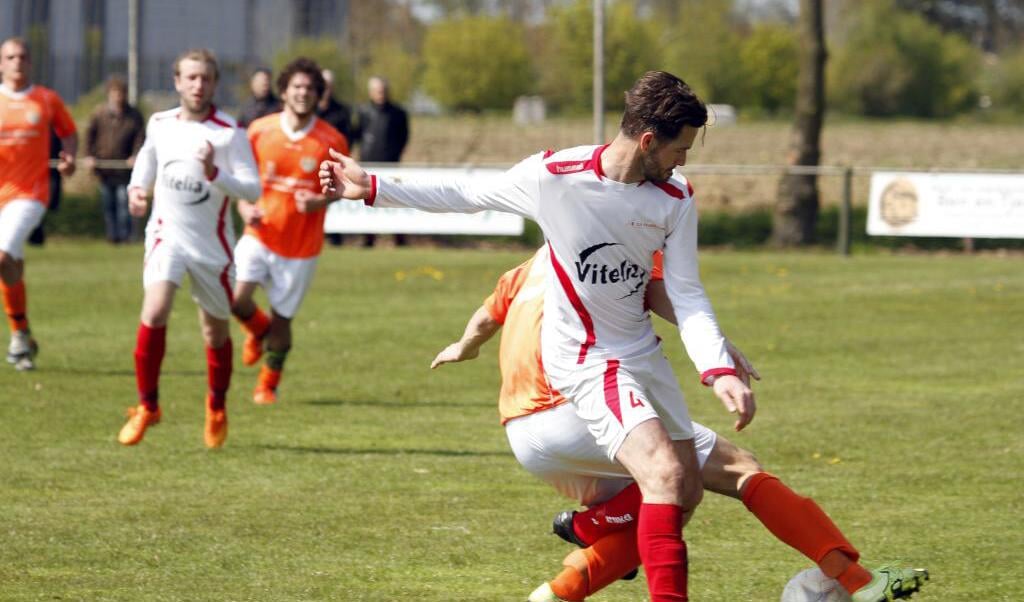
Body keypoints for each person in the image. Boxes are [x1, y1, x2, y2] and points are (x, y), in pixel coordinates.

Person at [322, 71, 754, 601]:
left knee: (684, 486)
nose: (683, 160)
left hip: (643, 352)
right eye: (679, 148)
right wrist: (373, 187)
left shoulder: (675, 196)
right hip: (587, 358)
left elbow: (686, 292)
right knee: (664, 473)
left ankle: (588, 539)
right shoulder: (556, 176)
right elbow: (466, 191)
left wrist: (718, 370)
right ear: (647, 141)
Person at [431, 248, 930, 602]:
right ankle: (860, 582)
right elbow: (665, 296)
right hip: (576, 408)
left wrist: (464, 347)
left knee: (668, 501)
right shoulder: (618, 235)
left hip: (524, 434)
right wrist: (717, 349)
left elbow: (485, 315)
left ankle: (561, 585)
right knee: (734, 468)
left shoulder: (527, 266)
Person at [117, 48, 260, 448]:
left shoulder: (229, 132)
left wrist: (216, 172)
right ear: (177, 81)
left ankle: (216, 404)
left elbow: (253, 188)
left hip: (211, 246)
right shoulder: (160, 123)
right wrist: (136, 191)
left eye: (206, 79)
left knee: (214, 333)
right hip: (167, 235)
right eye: (191, 78)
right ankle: (148, 406)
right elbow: (147, 163)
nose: (198, 85)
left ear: (215, 84)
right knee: (155, 308)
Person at [231, 57, 349, 404]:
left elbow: (341, 189)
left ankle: (268, 383)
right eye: (296, 87)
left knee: (283, 323)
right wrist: (242, 206)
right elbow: (240, 182)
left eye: (310, 89)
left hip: (300, 247)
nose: (302, 93)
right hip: (260, 233)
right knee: (236, 300)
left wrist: (319, 201)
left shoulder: (332, 140)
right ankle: (257, 329)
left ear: (319, 96)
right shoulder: (258, 131)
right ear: (284, 92)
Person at [0, 37, 77, 371]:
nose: (18, 62)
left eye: (23, 56)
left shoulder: (46, 99)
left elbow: (68, 131)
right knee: (9, 265)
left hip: (30, 193)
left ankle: (19, 337)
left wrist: (70, 156)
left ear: (30, 62)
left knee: (2, 255)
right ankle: (22, 335)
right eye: (11, 57)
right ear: (1, 63)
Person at [84, 75, 146, 244]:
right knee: (108, 205)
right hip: (104, 169)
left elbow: (140, 139)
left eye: (121, 93)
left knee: (123, 204)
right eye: (115, 93)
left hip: (124, 170)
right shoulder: (99, 114)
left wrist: (135, 156)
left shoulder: (134, 116)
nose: (118, 97)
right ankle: (113, 237)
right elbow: (89, 136)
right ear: (109, 94)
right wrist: (89, 156)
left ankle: (125, 237)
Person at [353, 76, 409, 247]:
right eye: (377, 91)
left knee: (395, 201)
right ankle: (368, 239)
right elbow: (357, 135)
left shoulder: (398, 114)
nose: (381, 94)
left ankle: (399, 239)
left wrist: (394, 154)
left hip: (391, 166)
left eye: (383, 90)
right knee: (368, 201)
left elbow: (403, 137)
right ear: (371, 92)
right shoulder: (363, 112)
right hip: (369, 166)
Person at [317, 69, 353, 248]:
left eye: (329, 86)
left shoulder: (342, 111)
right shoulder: (309, 111)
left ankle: (335, 239)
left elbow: (348, 138)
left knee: (334, 200)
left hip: (334, 164)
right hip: (311, 163)